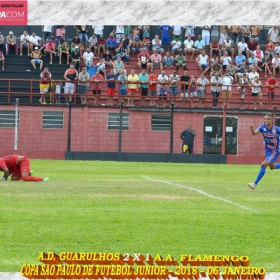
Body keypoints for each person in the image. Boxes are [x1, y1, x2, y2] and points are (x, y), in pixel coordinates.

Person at [248, 113, 280, 190]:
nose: (266, 120)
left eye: (268, 119)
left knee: (263, 164)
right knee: (272, 167)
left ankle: (254, 184)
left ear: (272, 120)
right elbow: (254, 133)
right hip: (268, 150)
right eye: (265, 119)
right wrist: (251, 128)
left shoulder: (276, 129)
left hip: (275, 151)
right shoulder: (262, 127)